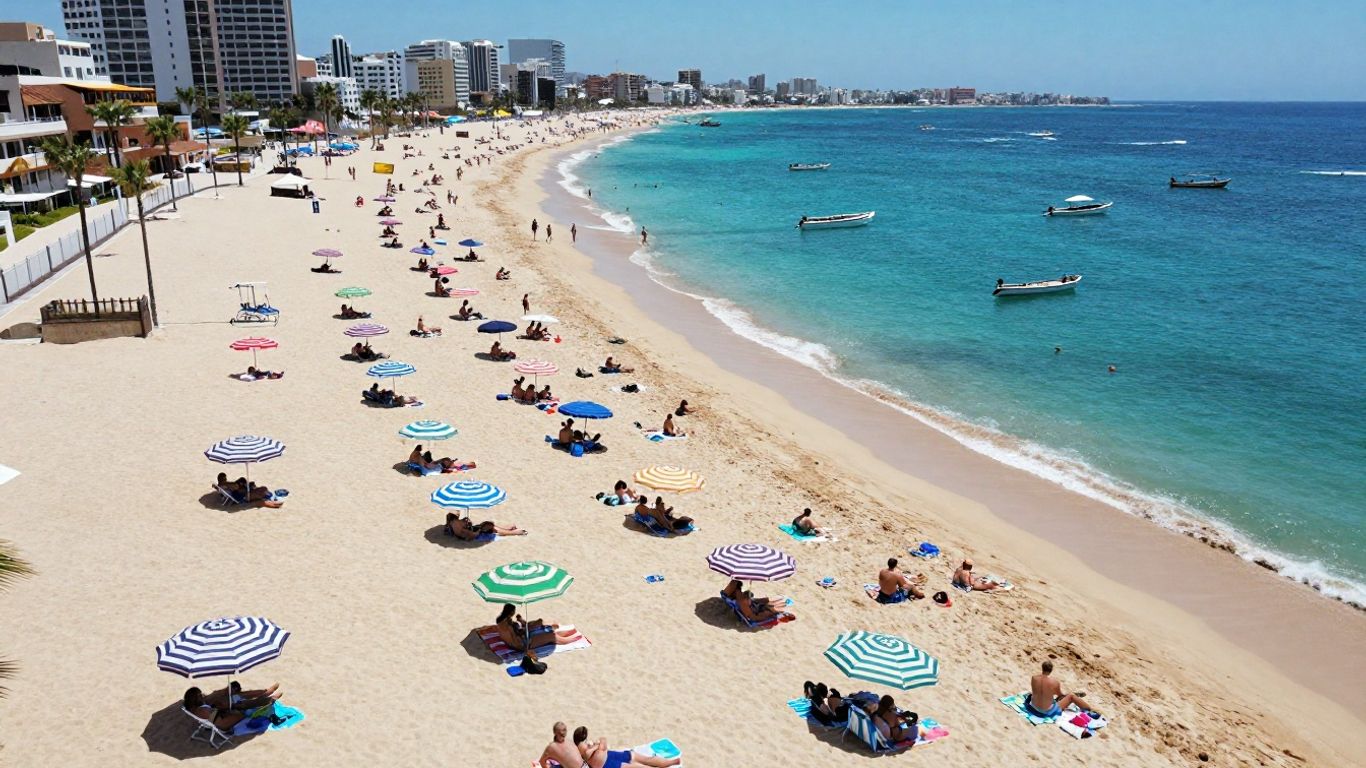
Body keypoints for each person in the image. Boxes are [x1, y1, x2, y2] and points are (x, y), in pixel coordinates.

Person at [574, 726, 681, 768]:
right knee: (639, 767)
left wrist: (598, 745)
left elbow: (604, 742)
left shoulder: (585, 745)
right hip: (608, 764)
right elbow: (587, 755)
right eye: (585, 740)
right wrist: (596, 746)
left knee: (642, 758)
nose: (587, 742)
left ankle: (669, 763)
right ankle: (668, 764)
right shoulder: (581, 748)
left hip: (611, 755)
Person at [1028, 660, 1098, 718]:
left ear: (1042, 668)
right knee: (1071, 697)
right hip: (1044, 711)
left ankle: (1072, 695)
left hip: (1033, 705)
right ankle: (1088, 709)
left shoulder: (1034, 678)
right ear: (1051, 670)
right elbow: (1060, 695)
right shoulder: (1054, 682)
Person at [721, 579, 787, 622]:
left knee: (766, 603)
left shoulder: (739, 597)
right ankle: (778, 605)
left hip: (752, 606)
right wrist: (769, 613)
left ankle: (779, 602)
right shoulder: (743, 601)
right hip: (755, 611)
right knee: (770, 608)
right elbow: (753, 617)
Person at [446, 512, 525, 540]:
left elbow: (465, 525)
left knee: (490, 525)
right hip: (475, 532)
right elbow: (472, 535)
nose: (458, 513)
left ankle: (508, 530)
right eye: (457, 512)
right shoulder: (459, 527)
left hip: (472, 529)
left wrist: (466, 521)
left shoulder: (452, 523)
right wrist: (479, 529)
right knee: (491, 526)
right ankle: (513, 532)